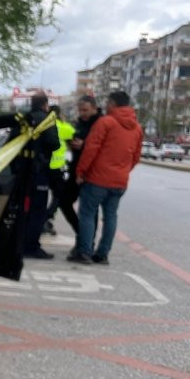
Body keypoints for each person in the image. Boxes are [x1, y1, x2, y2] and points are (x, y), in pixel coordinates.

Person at [68, 91, 142, 265]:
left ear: (113, 103)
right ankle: (102, 254)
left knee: (87, 213)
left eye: (108, 103)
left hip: (97, 179)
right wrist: (123, 171)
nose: (106, 107)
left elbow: (91, 149)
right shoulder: (137, 128)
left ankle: (84, 252)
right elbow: (136, 156)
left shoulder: (106, 122)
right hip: (120, 181)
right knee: (110, 216)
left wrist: (81, 171)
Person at [21, 92, 60, 259]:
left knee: (23, 209)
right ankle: (31, 246)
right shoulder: (47, 120)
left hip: (22, 170)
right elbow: (54, 144)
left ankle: (19, 243)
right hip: (39, 170)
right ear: (45, 105)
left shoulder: (23, 118)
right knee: (37, 210)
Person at [55, 95, 101, 235]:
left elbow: (102, 146)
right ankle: (81, 234)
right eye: (80, 110)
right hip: (76, 168)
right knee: (63, 201)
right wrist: (72, 144)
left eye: (85, 110)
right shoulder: (79, 123)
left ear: (94, 108)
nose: (82, 113)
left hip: (92, 171)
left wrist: (84, 145)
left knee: (89, 209)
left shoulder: (101, 123)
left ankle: (87, 243)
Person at [43, 105, 75, 236]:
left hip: (43, 167)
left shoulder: (43, 125)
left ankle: (42, 220)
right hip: (56, 168)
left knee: (41, 197)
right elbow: (75, 134)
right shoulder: (63, 127)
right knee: (58, 196)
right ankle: (47, 218)